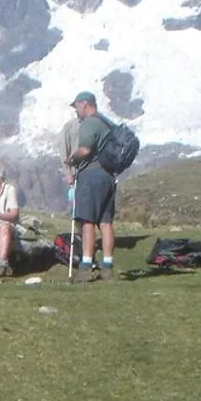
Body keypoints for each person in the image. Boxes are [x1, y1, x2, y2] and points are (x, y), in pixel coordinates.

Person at [66, 90, 116, 282]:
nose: (76, 111)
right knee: (105, 222)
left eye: (77, 106)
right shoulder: (106, 123)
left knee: (87, 220)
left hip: (91, 176)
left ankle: (86, 267)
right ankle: (108, 267)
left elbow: (85, 149)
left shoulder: (89, 123)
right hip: (108, 176)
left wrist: (72, 158)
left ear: (84, 104)